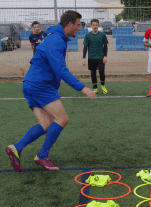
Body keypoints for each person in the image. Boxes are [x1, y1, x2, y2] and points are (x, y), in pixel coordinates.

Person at [5, 10, 96, 172]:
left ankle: (16, 148)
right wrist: (82, 88)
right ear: (69, 24)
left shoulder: (57, 37)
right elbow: (60, 70)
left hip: (31, 84)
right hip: (40, 85)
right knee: (62, 119)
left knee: (46, 124)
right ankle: (42, 155)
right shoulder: (56, 40)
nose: (79, 28)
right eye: (77, 24)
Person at [82, 19, 108, 94]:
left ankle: (103, 86)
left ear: (98, 25)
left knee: (102, 72)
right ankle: (95, 88)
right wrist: (84, 58)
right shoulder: (88, 36)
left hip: (100, 57)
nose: (95, 26)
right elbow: (85, 47)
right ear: (91, 26)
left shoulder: (102, 35)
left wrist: (105, 56)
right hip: (91, 58)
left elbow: (105, 46)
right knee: (93, 73)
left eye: (96, 25)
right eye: (93, 25)